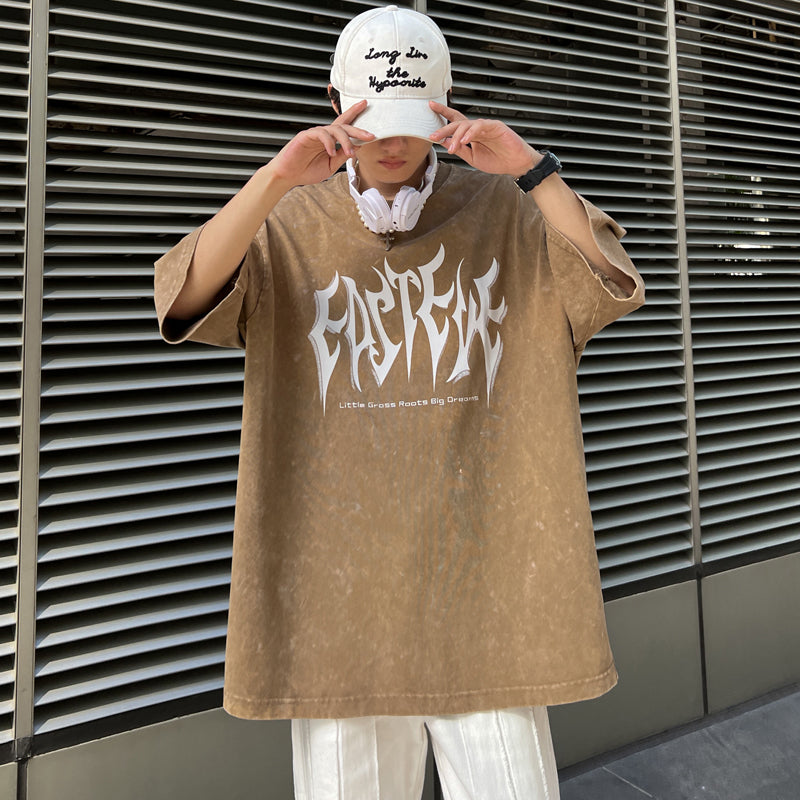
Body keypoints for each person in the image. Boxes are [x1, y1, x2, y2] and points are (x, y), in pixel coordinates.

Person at [154, 5, 644, 798]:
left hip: (485, 582)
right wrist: (274, 180)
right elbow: (183, 297)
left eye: (412, 121)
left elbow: (611, 281)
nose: (392, 143)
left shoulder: (506, 210)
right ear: (335, 102)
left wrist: (532, 170)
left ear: (444, 109)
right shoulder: (288, 220)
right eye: (374, 120)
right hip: (337, 594)